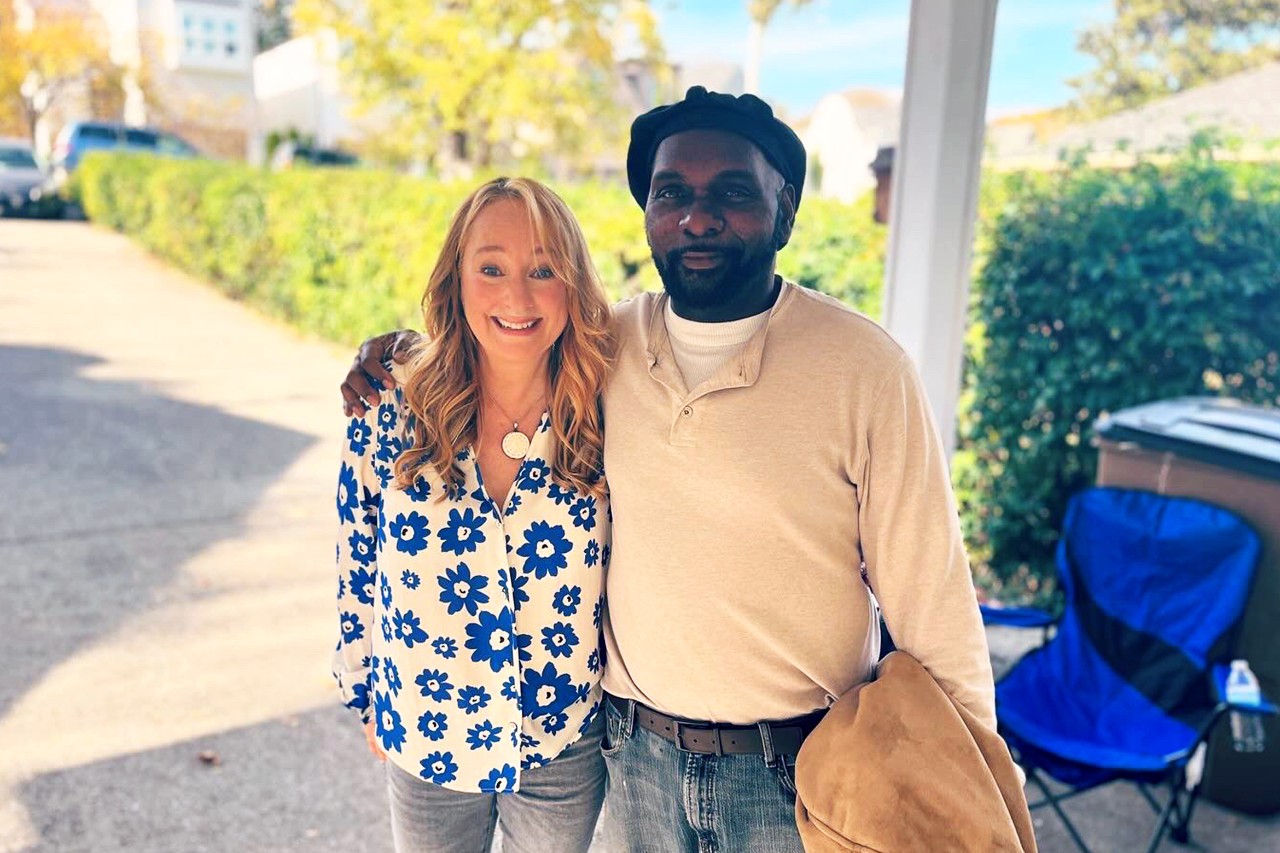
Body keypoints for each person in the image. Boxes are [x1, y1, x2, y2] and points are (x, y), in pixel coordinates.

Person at [341, 88, 996, 853]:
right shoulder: (603, 347)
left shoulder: (862, 366)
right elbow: (497, 332)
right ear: (648, 213)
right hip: (634, 762)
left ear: (786, 211)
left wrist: (975, 787)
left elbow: (936, 606)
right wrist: (393, 353)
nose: (698, 216)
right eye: (672, 193)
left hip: (799, 772)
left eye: (734, 192)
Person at [332, 177, 615, 853]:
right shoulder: (388, 406)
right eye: (491, 268)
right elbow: (355, 557)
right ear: (456, 279)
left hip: (562, 742)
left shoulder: (609, 409)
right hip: (425, 730)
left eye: (543, 270)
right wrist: (367, 689)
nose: (517, 296)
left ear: (572, 285)